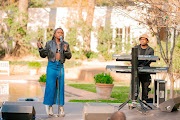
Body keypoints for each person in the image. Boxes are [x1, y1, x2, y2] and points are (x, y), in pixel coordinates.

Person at [37, 28, 72, 116]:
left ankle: (61, 107)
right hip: (51, 65)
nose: (60, 34)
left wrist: (66, 50)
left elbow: (69, 56)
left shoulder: (65, 44)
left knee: (60, 86)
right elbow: (43, 55)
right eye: (58, 32)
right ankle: (50, 106)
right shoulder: (49, 43)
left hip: (60, 66)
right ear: (54, 34)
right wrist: (40, 48)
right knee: (50, 86)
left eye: (62, 32)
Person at [134, 34, 154, 102]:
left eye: (144, 39)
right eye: (141, 39)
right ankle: (134, 101)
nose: (142, 41)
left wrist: (143, 65)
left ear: (147, 41)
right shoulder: (135, 48)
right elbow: (132, 58)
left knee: (145, 88)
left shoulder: (150, 50)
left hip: (146, 71)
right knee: (135, 87)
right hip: (136, 70)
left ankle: (144, 101)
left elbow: (150, 60)